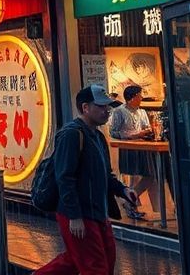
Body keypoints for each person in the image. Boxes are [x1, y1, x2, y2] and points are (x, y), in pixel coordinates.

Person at [36, 85, 138, 275]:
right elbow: (64, 177)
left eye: (107, 106)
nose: (106, 110)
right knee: (95, 267)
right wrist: (74, 216)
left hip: (99, 213)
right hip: (80, 214)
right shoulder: (71, 134)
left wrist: (123, 190)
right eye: (101, 106)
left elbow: (105, 174)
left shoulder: (98, 136)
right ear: (85, 108)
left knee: (83, 261)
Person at [109, 85, 157, 220]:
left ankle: (129, 200)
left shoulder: (142, 112)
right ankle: (131, 204)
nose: (141, 98)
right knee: (133, 177)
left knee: (149, 176)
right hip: (128, 148)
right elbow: (113, 132)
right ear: (133, 97)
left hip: (143, 148)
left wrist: (147, 132)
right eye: (139, 95)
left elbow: (147, 127)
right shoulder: (119, 111)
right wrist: (132, 135)